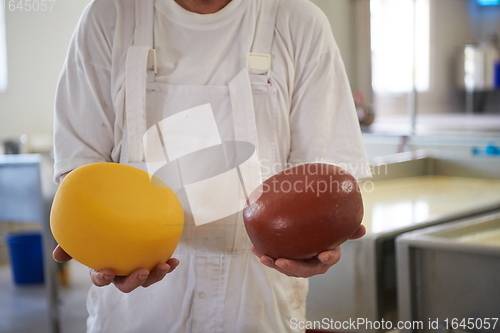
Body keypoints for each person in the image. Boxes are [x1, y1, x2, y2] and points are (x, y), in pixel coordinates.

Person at [52, 0, 371, 332]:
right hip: (134, 310)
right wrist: (91, 245)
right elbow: (81, 172)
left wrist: (316, 242)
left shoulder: (298, 21)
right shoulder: (111, 15)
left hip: (257, 303)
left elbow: (326, 180)